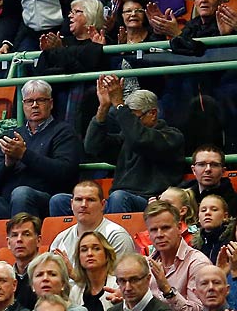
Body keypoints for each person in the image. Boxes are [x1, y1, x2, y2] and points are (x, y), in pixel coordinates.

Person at [0, 78, 82, 223]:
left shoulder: (63, 132)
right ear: (23, 105)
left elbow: (65, 172)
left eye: (40, 100)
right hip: (7, 201)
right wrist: (7, 164)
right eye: (29, 101)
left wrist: (24, 154)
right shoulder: (12, 135)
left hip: (44, 200)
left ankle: (21, 241)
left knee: (21, 193)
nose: (35, 105)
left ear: (51, 103)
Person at [70, 81, 186, 215]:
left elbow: (140, 140)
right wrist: (103, 108)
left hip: (151, 202)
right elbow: (92, 147)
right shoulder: (126, 139)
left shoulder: (172, 137)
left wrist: (120, 105)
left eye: (134, 118)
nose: (128, 124)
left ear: (153, 113)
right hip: (116, 199)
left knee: (118, 197)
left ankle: (115, 236)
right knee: (59, 200)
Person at [49, 179, 137, 266]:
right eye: (78, 199)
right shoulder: (60, 239)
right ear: (72, 204)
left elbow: (122, 278)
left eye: (90, 200)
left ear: (103, 205)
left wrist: (73, 275)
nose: (83, 205)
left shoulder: (117, 237)